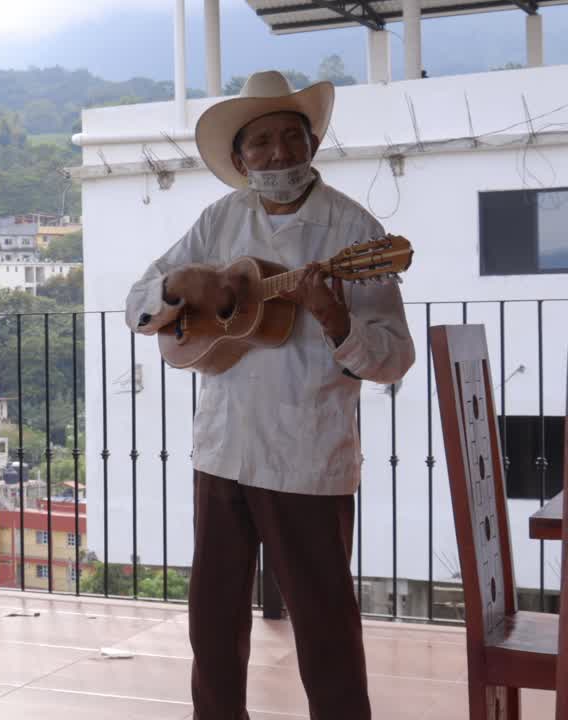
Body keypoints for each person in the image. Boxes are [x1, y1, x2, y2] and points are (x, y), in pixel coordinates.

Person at [126, 71, 415, 719]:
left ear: (312, 144)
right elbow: (138, 306)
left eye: (292, 136)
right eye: (261, 142)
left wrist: (335, 319)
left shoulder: (352, 229)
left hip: (307, 454)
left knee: (325, 628)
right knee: (213, 626)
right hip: (222, 447)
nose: (278, 153)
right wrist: (183, 287)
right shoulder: (219, 219)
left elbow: (395, 355)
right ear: (239, 158)